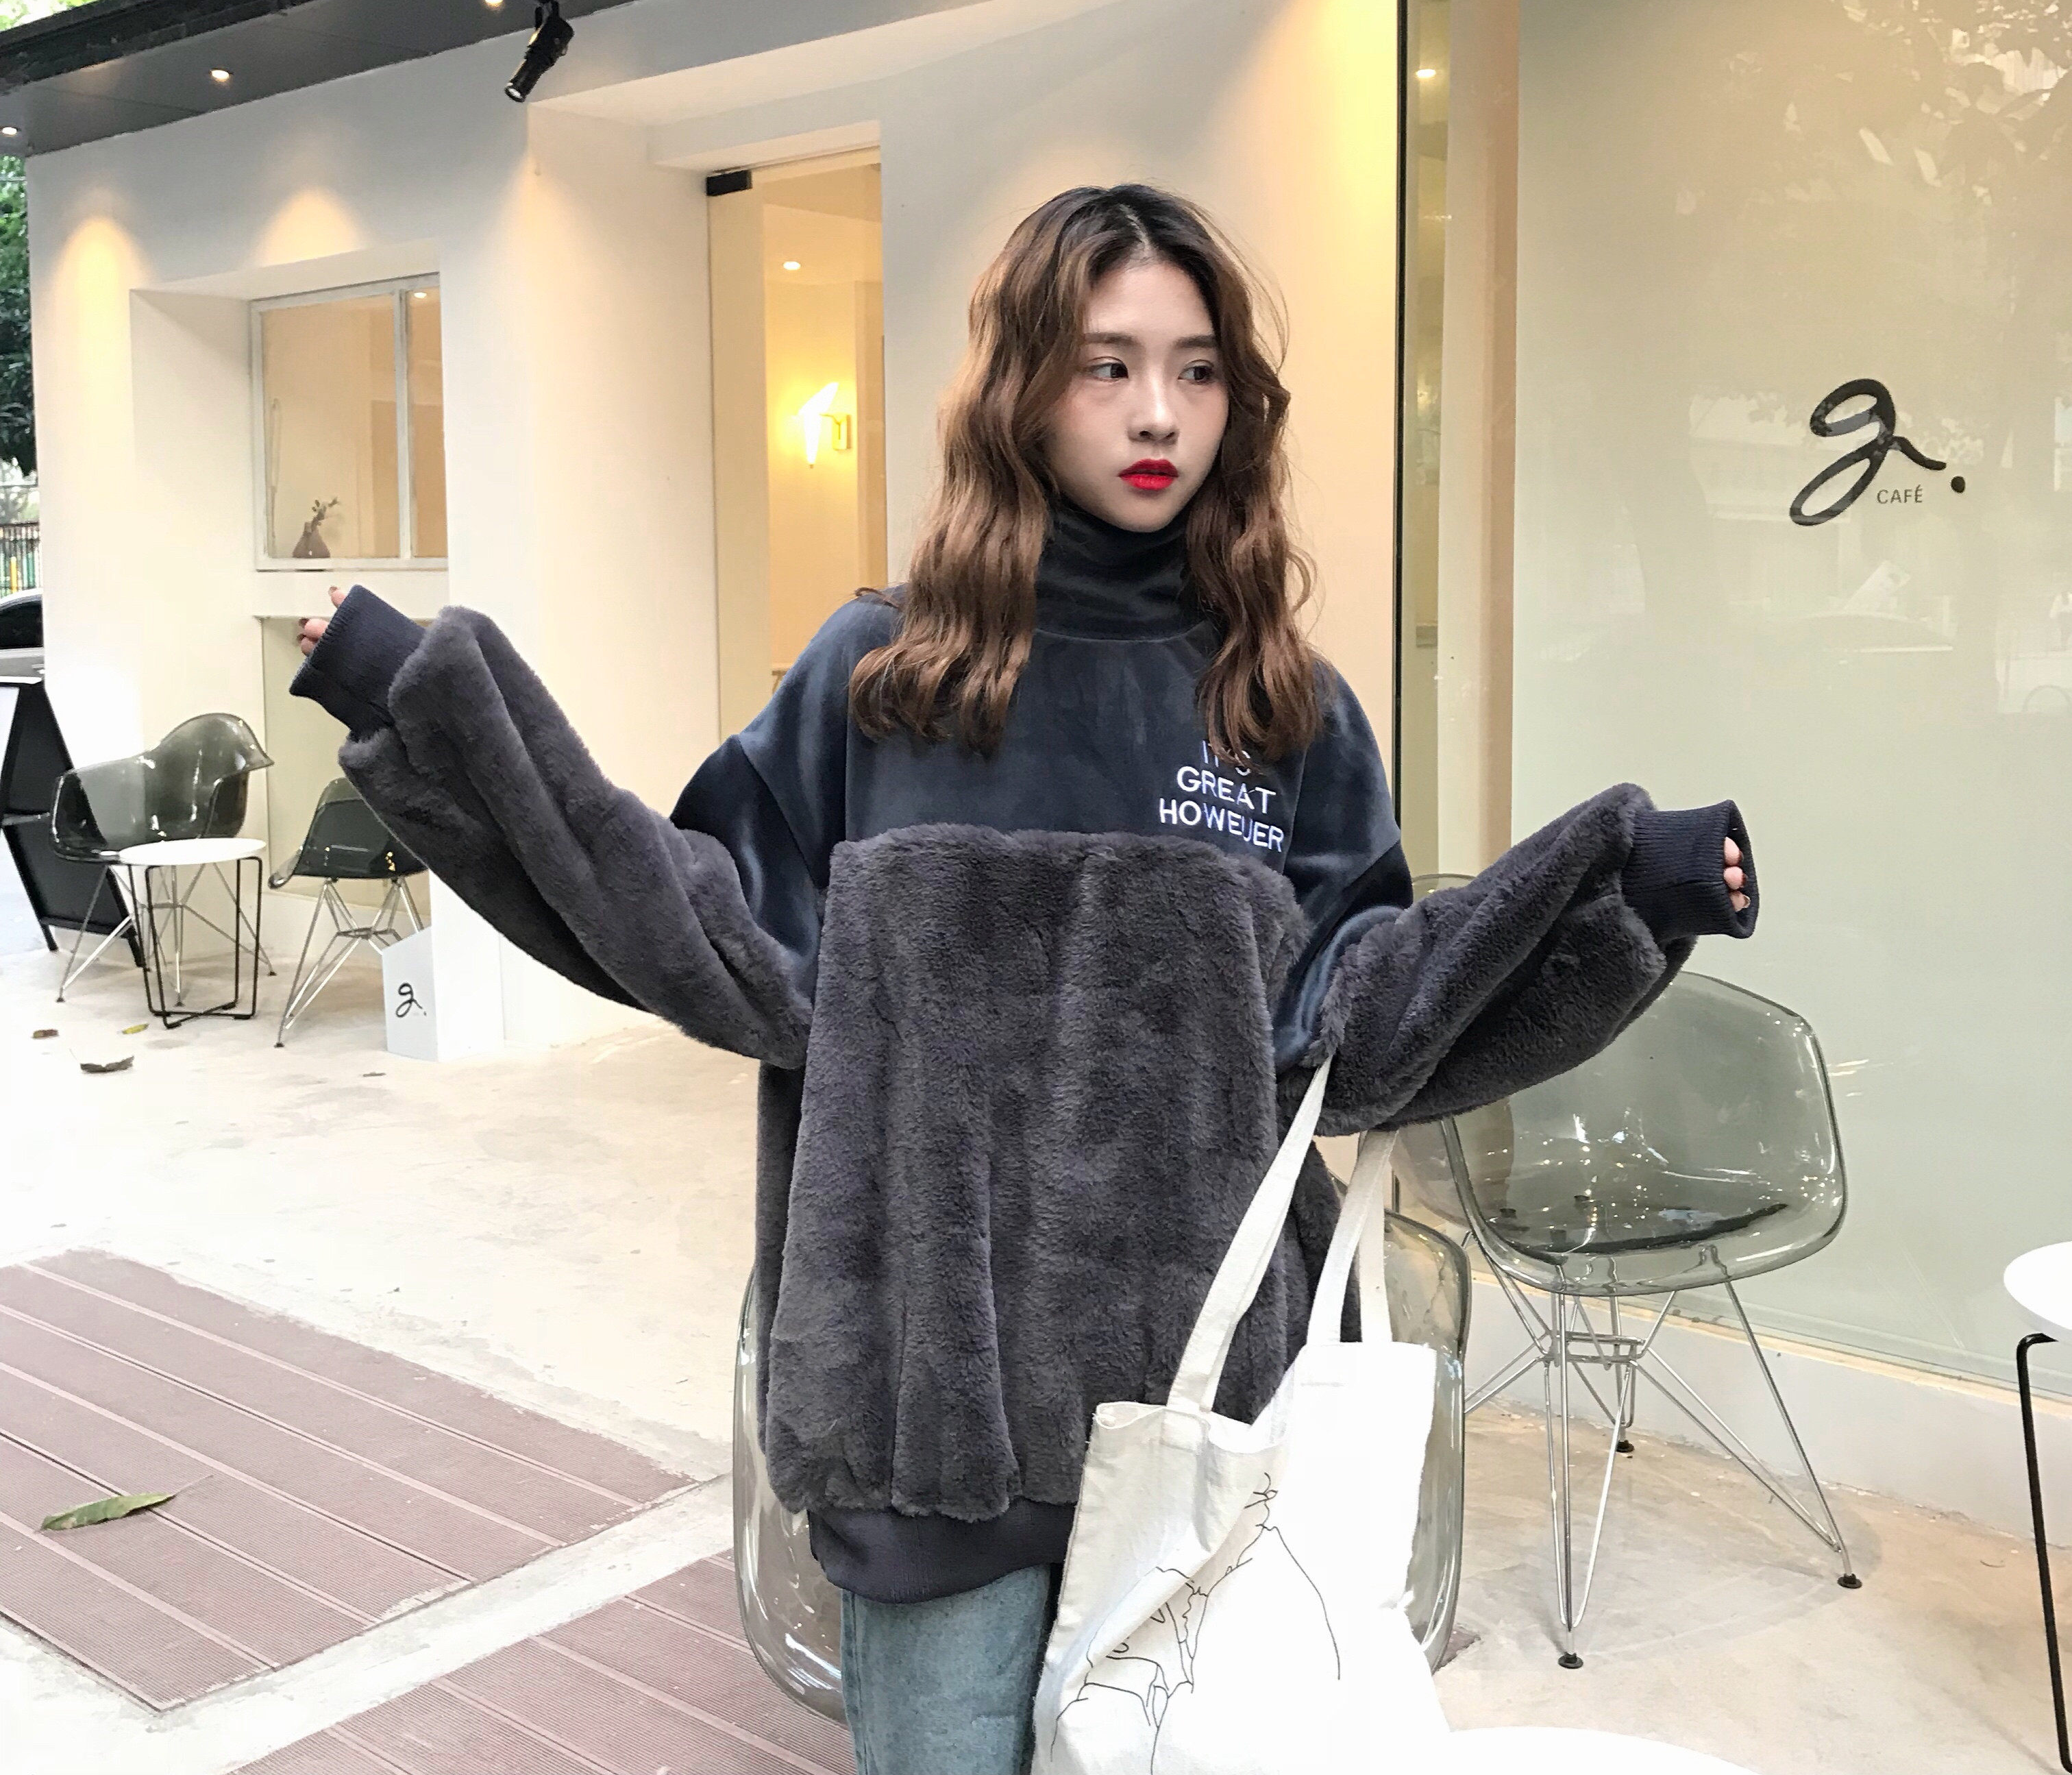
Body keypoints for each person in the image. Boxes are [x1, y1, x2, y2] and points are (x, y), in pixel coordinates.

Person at [293, 183, 1754, 1775]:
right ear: (1023, 387)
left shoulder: (1282, 710)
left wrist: (1622, 893)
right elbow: (687, 923)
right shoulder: (883, 678)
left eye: (1198, 370)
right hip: (932, 1427)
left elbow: (1368, 1031)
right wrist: (417, 699)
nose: (1158, 412)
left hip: (1205, 1425)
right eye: (1107, 364)